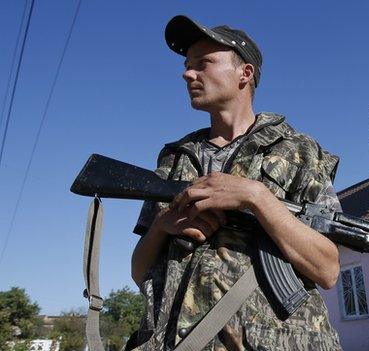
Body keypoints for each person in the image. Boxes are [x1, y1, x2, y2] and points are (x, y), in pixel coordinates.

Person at [127, 15, 342, 351]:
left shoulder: (299, 151)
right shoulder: (174, 158)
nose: (187, 73)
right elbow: (139, 272)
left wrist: (257, 197)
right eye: (187, 65)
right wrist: (162, 226)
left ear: (245, 74)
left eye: (204, 63)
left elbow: (327, 270)